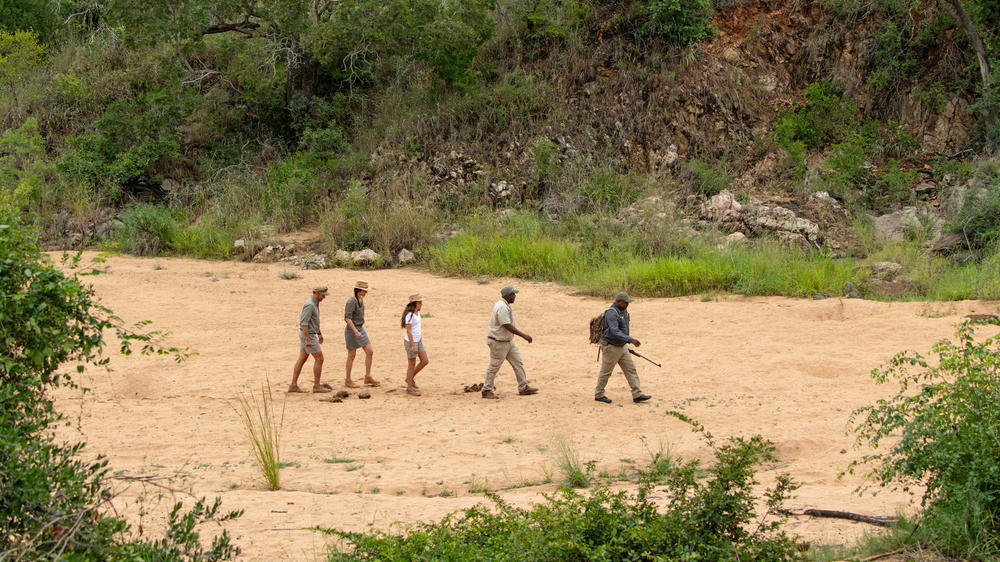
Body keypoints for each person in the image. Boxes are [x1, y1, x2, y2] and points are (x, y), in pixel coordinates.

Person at [481, 286, 538, 399]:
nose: (515, 296)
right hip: (499, 342)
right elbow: (507, 325)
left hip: (507, 340)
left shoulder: (502, 305)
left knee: (518, 362)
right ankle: (486, 390)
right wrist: (524, 335)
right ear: (508, 296)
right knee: (494, 366)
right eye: (513, 294)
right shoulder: (502, 307)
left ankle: (523, 387)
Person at [594, 291, 651, 404]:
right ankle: (599, 394)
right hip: (611, 347)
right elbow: (615, 331)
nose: (627, 305)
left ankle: (637, 394)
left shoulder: (623, 311)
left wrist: (625, 343)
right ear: (619, 302)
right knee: (606, 372)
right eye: (626, 303)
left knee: (631, 369)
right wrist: (630, 340)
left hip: (622, 346)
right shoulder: (611, 313)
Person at [289, 286, 332, 393]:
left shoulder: (315, 303)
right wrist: (308, 339)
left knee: (302, 359)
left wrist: (319, 333)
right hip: (308, 335)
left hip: (309, 334)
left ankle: (293, 385)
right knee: (319, 359)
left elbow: (314, 321)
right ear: (317, 293)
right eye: (323, 295)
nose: (324, 298)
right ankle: (316, 386)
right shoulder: (310, 305)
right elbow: (304, 323)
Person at [344, 280, 379, 388]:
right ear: (359, 291)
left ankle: (368, 376)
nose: (366, 292)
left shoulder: (361, 299)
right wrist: (355, 331)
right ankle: (348, 379)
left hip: (360, 328)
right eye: (365, 290)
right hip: (352, 330)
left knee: (370, 351)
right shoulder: (351, 301)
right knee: (351, 355)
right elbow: (347, 318)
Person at [401, 294, 429, 396]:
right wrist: (413, 345)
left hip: (418, 340)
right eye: (419, 302)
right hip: (411, 341)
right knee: (411, 364)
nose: (421, 304)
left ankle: (409, 378)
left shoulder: (416, 313)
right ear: (415, 304)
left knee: (425, 361)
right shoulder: (410, 315)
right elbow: (409, 331)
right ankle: (409, 387)